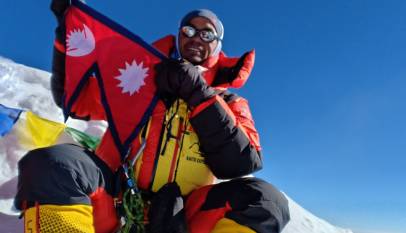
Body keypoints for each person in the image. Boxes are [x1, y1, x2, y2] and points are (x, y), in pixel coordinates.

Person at [14, 1, 290, 233]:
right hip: (115, 199)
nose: (196, 38)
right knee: (52, 165)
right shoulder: (138, 81)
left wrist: (199, 94)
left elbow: (240, 161)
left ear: (218, 45)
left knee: (266, 201)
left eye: (207, 34)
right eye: (189, 30)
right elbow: (74, 100)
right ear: (179, 36)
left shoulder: (231, 103)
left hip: (187, 216)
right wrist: (67, 32)